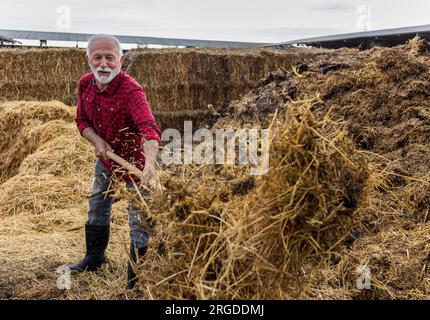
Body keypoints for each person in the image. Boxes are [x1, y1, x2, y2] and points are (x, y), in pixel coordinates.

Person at [69, 34, 161, 290]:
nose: (103, 64)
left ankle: (136, 282)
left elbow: (150, 129)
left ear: (120, 60)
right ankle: (95, 257)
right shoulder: (85, 84)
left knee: (138, 219)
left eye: (110, 58)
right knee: (98, 203)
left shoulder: (131, 91)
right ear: (88, 59)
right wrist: (97, 141)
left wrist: (150, 165)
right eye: (97, 57)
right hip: (107, 161)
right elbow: (82, 122)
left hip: (136, 166)